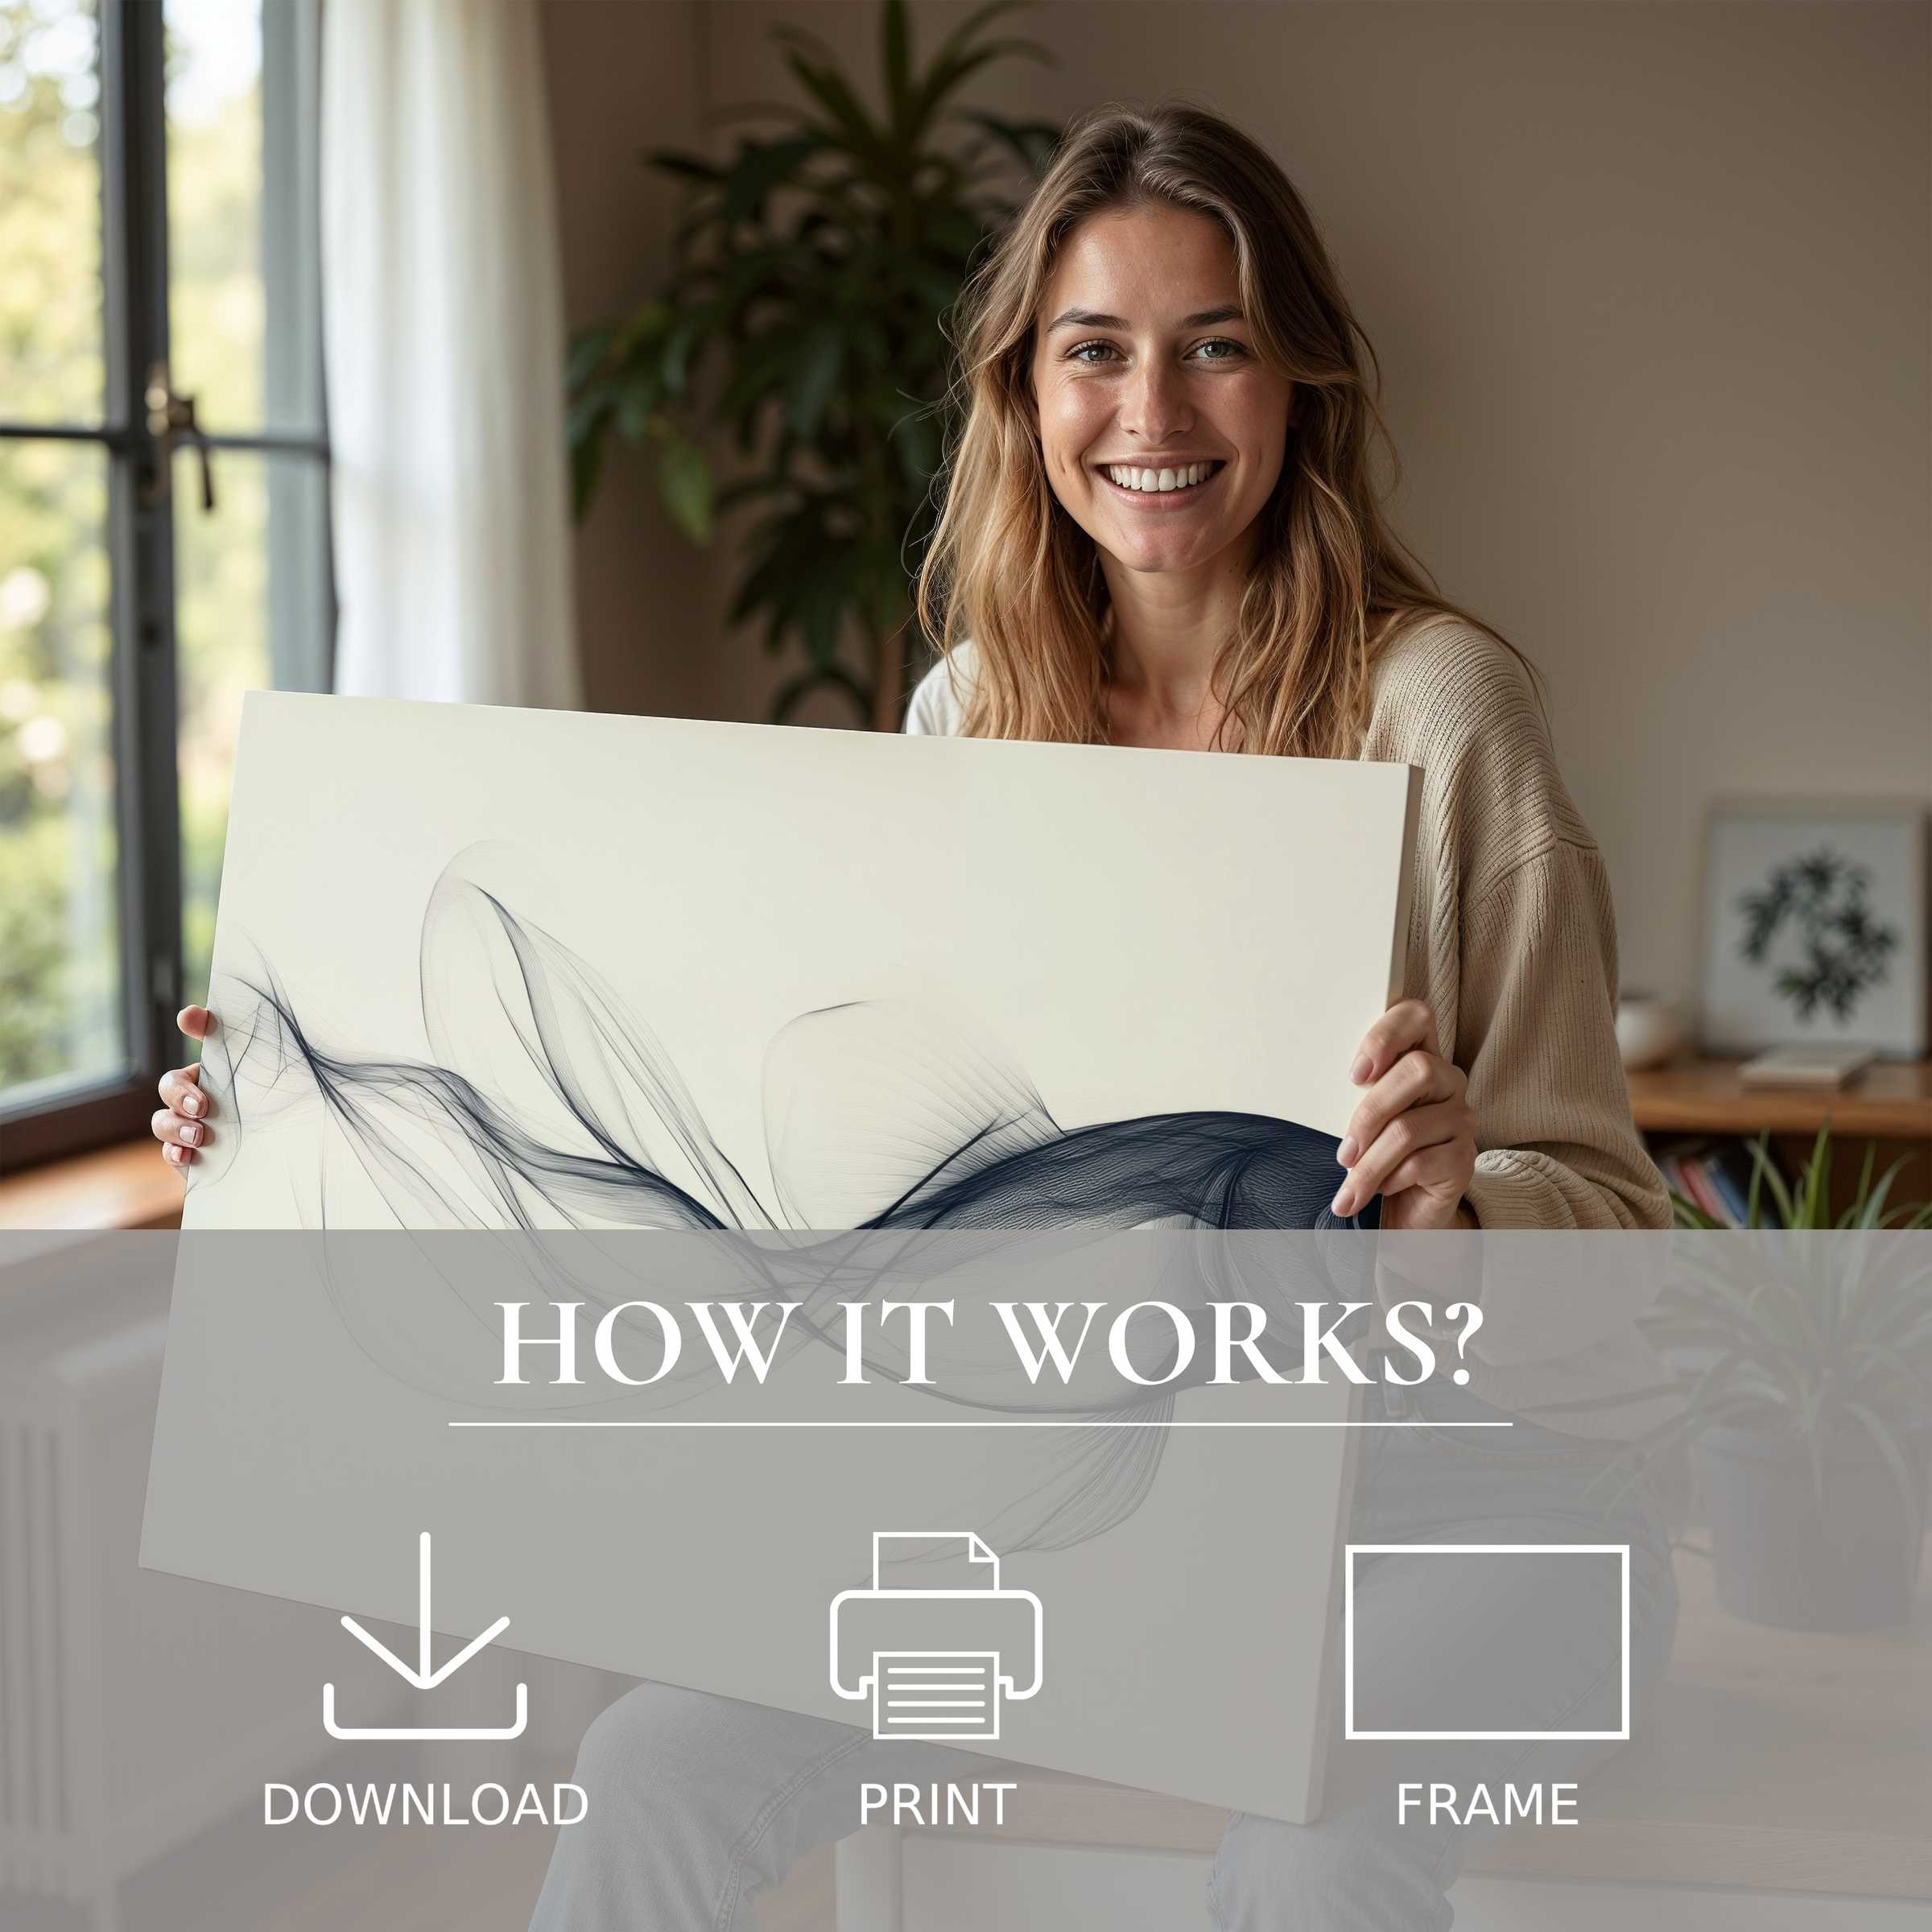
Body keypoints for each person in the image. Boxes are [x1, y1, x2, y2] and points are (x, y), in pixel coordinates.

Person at [153, 100, 1677, 1930]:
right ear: (1024, 395)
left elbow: (1626, 1260)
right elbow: (877, 1227)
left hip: (1470, 1523)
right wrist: (294, 1124)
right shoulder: (973, 715)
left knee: (1307, 1853)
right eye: (1093, 353)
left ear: (1301, 390)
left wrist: (1461, 1223)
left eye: (1218, 351)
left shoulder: (1445, 713)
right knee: (652, 1762)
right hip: (1099, 1520)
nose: (1155, 416)